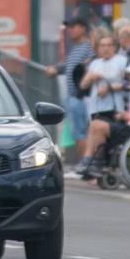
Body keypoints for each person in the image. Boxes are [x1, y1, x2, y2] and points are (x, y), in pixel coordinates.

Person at [76, 32, 128, 178]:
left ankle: (90, 163)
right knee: (94, 131)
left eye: (109, 45)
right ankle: (92, 165)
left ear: (114, 47)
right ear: (98, 48)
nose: (105, 49)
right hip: (96, 108)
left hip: (115, 109)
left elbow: (127, 82)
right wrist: (92, 76)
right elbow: (83, 84)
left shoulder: (122, 61)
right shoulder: (95, 63)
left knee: (98, 129)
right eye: (102, 45)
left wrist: (107, 83)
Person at [44, 16, 93, 161]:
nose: (70, 30)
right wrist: (56, 69)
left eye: (73, 27)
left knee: (81, 133)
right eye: (69, 27)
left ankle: (84, 166)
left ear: (83, 28)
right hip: (73, 96)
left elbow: (88, 68)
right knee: (77, 133)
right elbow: (69, 66)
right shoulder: (76, 49)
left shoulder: (88, 48)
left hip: (81, 97)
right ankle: (83, 166)